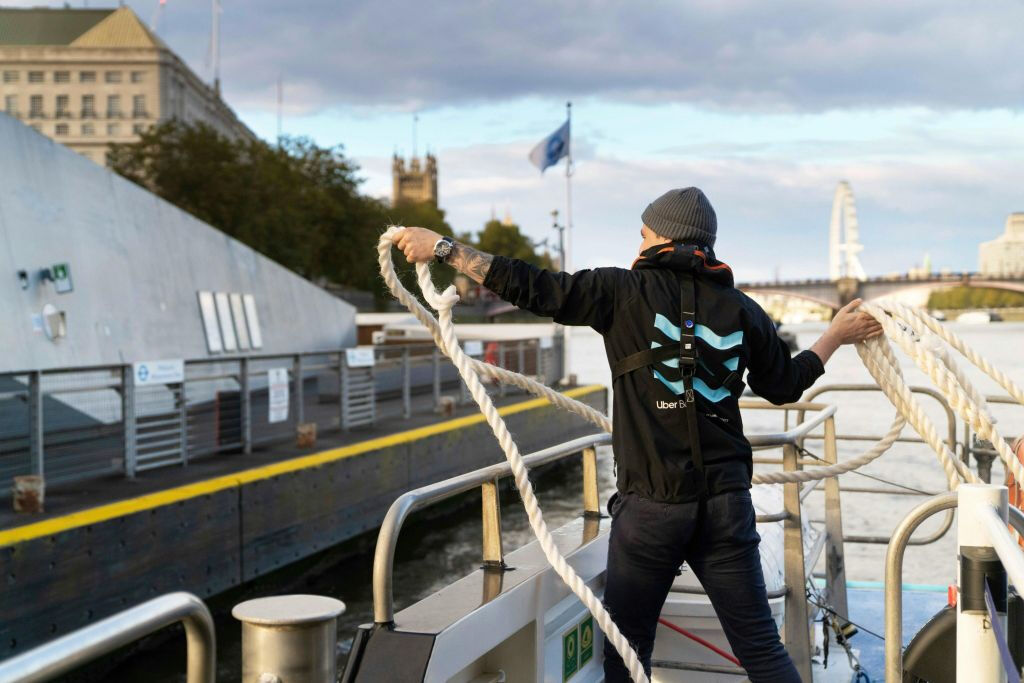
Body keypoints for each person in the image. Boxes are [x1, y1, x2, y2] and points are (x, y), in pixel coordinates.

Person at [392, 187, 882, 682]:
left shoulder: (619, 292)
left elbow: (534, 287)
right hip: (726, 507)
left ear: (662, 237)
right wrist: (834, 335)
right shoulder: (743, 309)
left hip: (651, 510)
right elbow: (783, 385)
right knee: (760, 648)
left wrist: (444, 249)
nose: (639, 244)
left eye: (644, 234)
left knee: (627, 654)